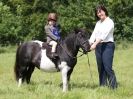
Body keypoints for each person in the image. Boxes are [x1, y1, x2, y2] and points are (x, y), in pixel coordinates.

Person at [89, 5, 117, 89]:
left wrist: (94, 44)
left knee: (107, 67)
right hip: (99, 46)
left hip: (108, 45)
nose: (99, 14)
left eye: (100, 11)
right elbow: (94, 34)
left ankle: (113, 87)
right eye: (97, 12)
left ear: (105, 11)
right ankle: (102, 85)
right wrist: (90, 43)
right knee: (100, 67)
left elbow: (103, 35)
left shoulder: (110, 22)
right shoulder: (98, 23)